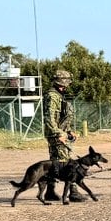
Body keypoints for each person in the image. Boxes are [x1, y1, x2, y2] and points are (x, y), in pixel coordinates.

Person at [42, 69, 83, 202]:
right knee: (66, 163)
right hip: (57, 135)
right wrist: (58, 133)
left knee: (55, 163)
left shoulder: (58, 95)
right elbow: (49, 117)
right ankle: (73, 192)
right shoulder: (52, 96)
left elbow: (60, 117)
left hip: (60, 133)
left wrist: (69, 131)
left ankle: (50, 191)